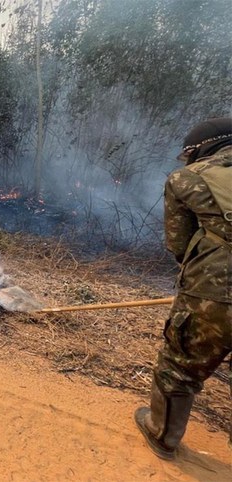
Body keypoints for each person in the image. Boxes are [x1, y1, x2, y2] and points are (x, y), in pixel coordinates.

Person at [134, 117, 232, 460]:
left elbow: (179, 244)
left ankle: (163, 435)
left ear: (201, 149)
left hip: (216, 294)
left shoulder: (187, 179)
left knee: (180, 366)